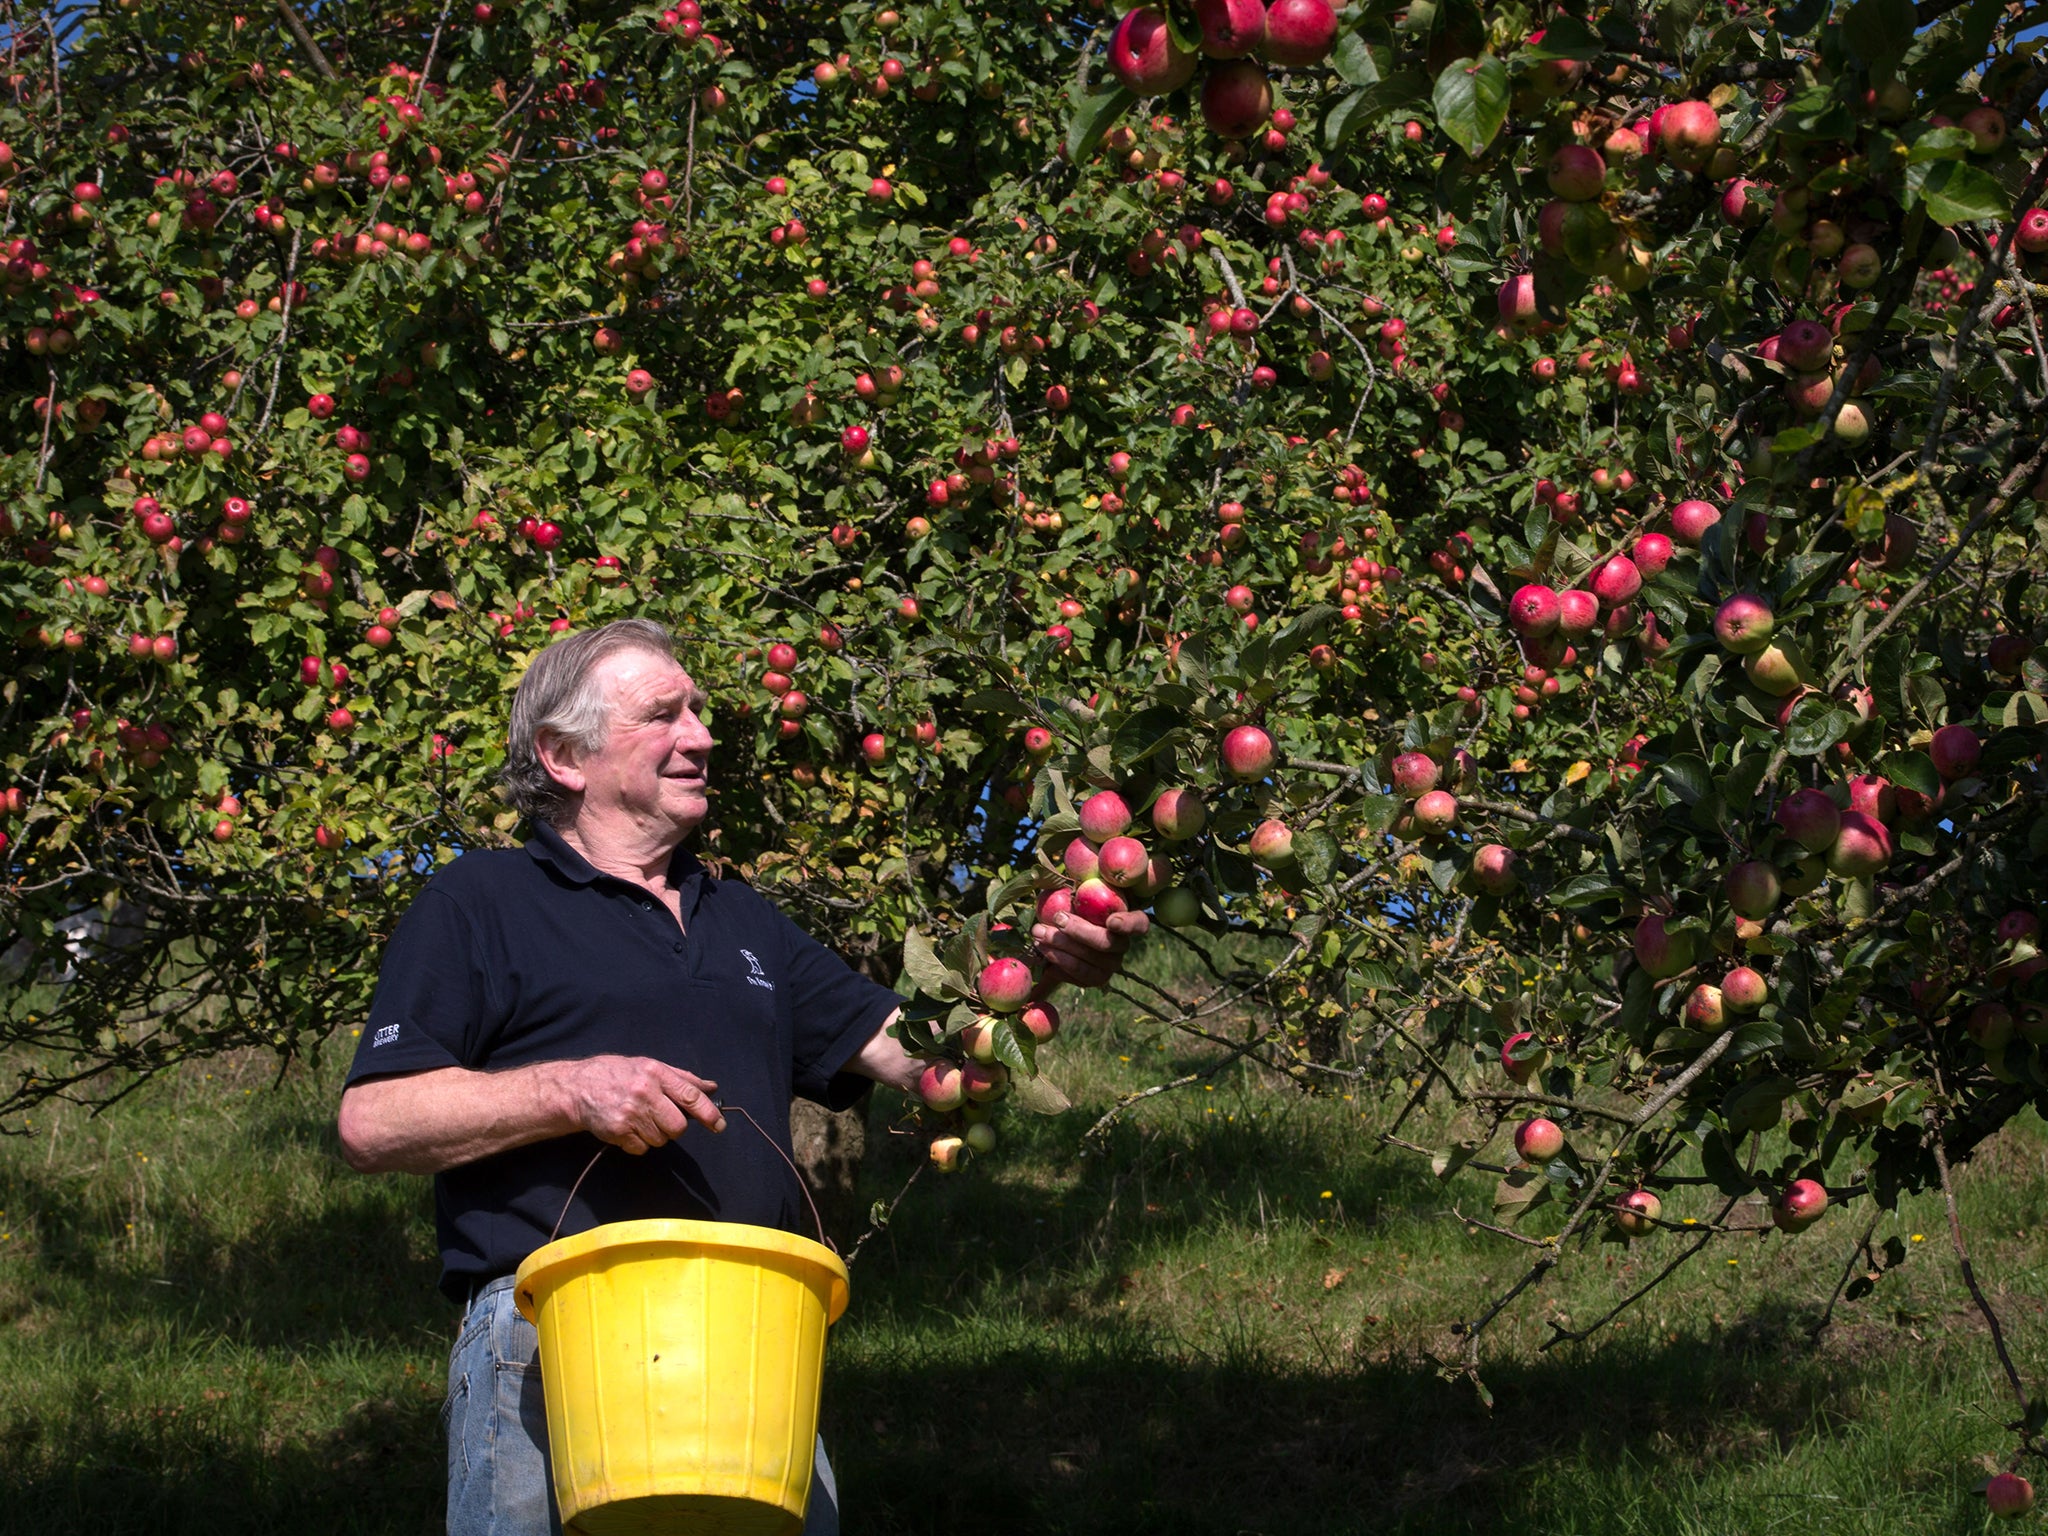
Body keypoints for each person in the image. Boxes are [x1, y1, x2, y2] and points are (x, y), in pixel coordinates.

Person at [336, 618, 1144, 1536]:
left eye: (701, 711)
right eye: (663, 715)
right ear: (565, 756)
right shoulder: (480, 903)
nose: (702, 735)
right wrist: (570, 1089)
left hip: (749, 1346)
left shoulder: (744, 920)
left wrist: (1041, 967)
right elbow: (373, 1122)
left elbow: (926, 1059)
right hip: (555, 1346)